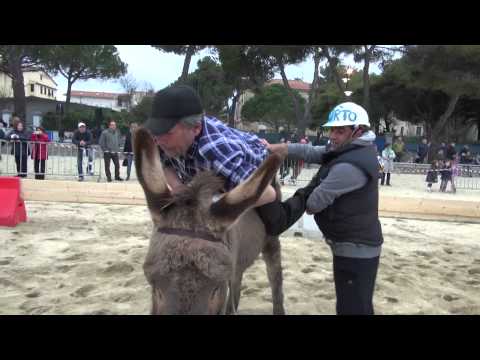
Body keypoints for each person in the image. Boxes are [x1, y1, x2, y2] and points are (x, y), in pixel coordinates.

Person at [259, 102, 384, 315]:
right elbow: (311, 151)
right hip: (353, 243)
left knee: (352, 308)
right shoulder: (352, 150)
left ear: (358, 131)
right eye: (332, 130)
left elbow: (314, 203)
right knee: (355, 304)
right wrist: (275, 148)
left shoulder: (349, 167)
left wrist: (309, 187)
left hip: (356, 248)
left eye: (340, 131)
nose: (333, 136)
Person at [142, 84, 276, 206]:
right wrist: (177, 187)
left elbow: (267, 193)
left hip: (257, 164)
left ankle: (296, 202)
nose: (158, 141)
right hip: (207, 174)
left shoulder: (215, 151)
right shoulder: (162, 140)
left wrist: (210, 202)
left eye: (167, 132)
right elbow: (164, 163)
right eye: (156, 131)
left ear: (195, 128)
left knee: (273, 221)